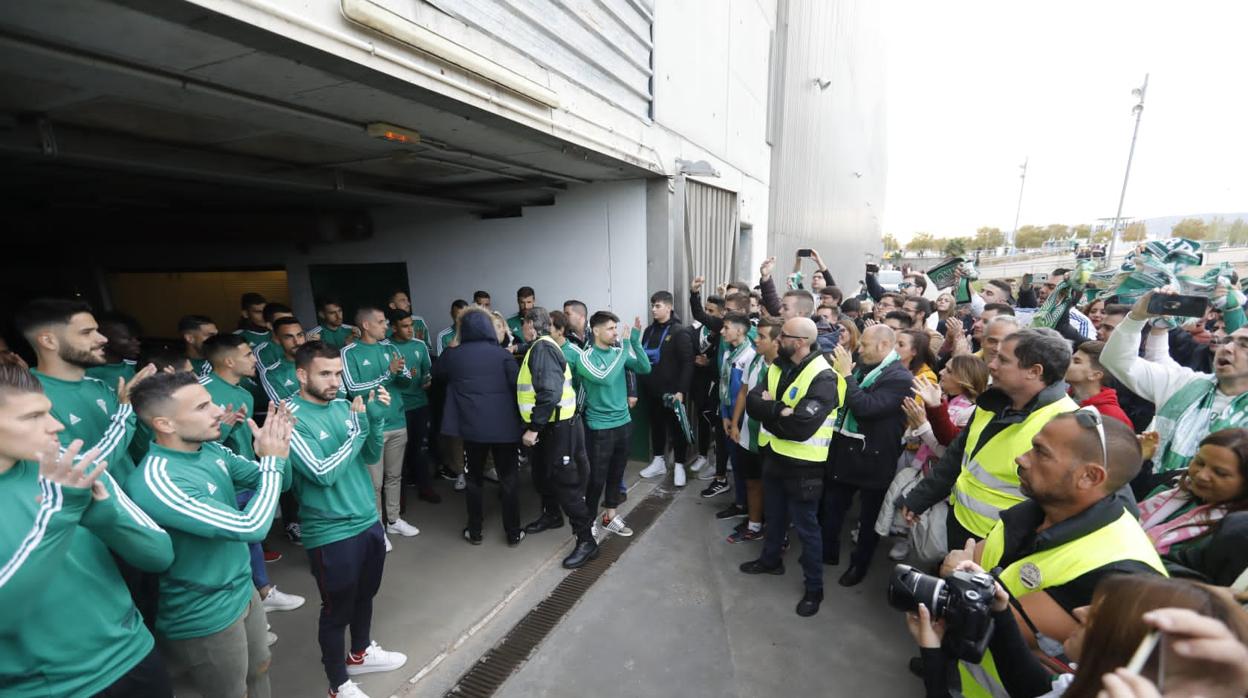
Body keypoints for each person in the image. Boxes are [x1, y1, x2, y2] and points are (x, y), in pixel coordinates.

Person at [948, 409, 1168, 697]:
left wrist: (955, 574)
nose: (1022, 458)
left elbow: (981, 622)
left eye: (1040, 452)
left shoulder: (1116, 570)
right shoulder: (1043, 505)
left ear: (1089, 477)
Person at [0, 364, 175, 698]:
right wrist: (59, 518)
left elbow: (159, 556)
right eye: (32, 417)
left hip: (134, 654)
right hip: (48, 688)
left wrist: (105, 517)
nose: (57, 425)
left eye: (49, 411)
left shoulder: (71, 465)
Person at [124, 372, 293, 698]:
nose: (218, 410)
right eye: (202, 406)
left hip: (242, 589)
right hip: (205, 612)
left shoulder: (212, 451)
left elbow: (277, 484)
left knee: (259, 669)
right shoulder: (159, 480)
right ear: (166, 424)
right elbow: (251, 527)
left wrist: (282, 445)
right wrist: (272, 462)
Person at [285, 341, 407, 698]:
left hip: (367, 520)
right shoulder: (288, 415)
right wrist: (357, 428)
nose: (335, 381)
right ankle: (338, 685)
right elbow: (321, 472)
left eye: (338, 372)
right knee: (336, 610)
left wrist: (374, 420)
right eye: (325, 373)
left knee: (365, 594)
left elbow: (368, 455)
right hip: (331, 531)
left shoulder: (343, 406)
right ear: (302, 374)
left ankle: (361, 652)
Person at [909, 573, 1248, 698]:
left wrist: (934, 658)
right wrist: (1000, 610)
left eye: (1098, 616)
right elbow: (1033, 688)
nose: (1079, 612)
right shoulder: (1078, 684)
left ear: (1124, 651)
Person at [902, 328, 1078, 548]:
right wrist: (921, 497)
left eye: (1003, 360)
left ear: (1034, 371)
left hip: (1001, 547)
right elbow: (957, 456)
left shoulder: (1069, 424)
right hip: (959, 526)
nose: (991, 365)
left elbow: (1063, 506)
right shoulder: (993, 402)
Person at [739, 317, 842, 617]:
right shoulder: (778, 366)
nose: (777, 338)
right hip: (773, 456)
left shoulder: (824, 377)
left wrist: (773, 410)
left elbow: (800, 428)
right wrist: (779, 410)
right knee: (775, 516)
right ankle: (770, 561)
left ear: (799, 342)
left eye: (783, 335)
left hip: (803, 466)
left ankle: (814, 589)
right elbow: (753, 403)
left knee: (807, 528)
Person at [200, 332, 305, 614]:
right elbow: (195, 446)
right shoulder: (201, 392)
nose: (254, 359)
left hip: (247, 474)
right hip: (221, 484)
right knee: (233, 546)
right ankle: (246, 603)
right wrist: (223, 426)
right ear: (229, 360)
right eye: (248, 354)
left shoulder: (245, 391)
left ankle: (262, 592)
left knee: (252, 540)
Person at [1102, 289, 1248, 489]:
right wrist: (1137, 316)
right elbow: (1116, 360)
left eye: (1244, 345)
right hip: (1153, 500)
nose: (1228, 348)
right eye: (1228, 341)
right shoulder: (1185, 383)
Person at [17, 298, 156, 482]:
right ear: (49, 341)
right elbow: (78, 472)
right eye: (86, 332)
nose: (102, 339)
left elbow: (139, 450)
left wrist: (145, 406)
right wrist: (125, 412)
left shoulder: (99, 386)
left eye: (96, 330)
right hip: (95, 508)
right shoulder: (29, 399)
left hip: (129, 502)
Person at [825, 325, 912, 586]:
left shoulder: (899, 377)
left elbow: (865, 407)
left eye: (864, 345)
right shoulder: (866, 367)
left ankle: (859, 565)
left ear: (884, 346)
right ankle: (827, 553)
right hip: (845, 452)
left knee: (868, 519)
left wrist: (847, 374)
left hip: (874, 459)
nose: (859, 349)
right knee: (832, 507)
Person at [433, 308, 525, 545]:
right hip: (505, 429)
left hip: (472, 431)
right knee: (509, 479)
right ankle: (513, 532)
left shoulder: (454, 355)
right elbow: (517, 387)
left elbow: (437, 373)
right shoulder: (502, 355)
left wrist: (453, 343)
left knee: (474, 481)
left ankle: (474, 531)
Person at [516, 307, 597, 567]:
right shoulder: (540, 346)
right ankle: (552, 515)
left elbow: (549, 393)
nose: (521, 329)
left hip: (557, 429)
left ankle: (587, 541)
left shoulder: (542, 348)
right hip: (549, 428)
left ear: (530, 324)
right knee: (542, 475)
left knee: (566, 484)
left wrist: (534, 429)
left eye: (523, 324)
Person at [565, 310, 651, 536]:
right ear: (596, 330)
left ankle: (610, 516)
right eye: (611, 328)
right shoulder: (586, 357)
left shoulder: (617, 352)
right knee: (595, 479)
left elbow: (644, 368)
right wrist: (623, 349)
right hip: (599, 427)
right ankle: (588, 521)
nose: (615, 332)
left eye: (616, 328)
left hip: (624, 423)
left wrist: (634, 342)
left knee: (616, 473)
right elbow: (606, 378)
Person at [341, 306, 418, 546]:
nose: (387, 325)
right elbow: (353, 389)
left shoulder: (390, 348)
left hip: (397, 420)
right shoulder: (349, 352)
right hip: (372, 425)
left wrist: (404, 373)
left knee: (395, 476)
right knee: (374, 483)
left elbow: (405, 383)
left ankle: (393, 521)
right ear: (366, 325)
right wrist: (388, 374)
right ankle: (377, 530)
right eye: (381, 321)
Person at [1141, 428, 1248, 586]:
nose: (1201, 475)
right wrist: (1141, 463)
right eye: (1199, 462)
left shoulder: (1235, 534)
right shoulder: (1173, 489)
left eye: (1220, 473)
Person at [724, 318, 782, 541]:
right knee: (752, 482)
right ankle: (754, 525)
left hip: (773, 439)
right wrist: (736, 422)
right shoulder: (755, 360)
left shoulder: (787, 368)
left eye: (761, 337)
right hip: (749, 435)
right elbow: (742, 393)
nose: (755, 340)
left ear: (777, 342)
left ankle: (777, 532)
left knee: (774, 489)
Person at [637, 291, 695, 485]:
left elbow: (688, 363)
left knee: (677, 429)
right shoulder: (648, 331)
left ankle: (679, 465)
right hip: (651, 390)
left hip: (672, 392)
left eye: (658, 306)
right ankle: (658, 461)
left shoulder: (680, 332)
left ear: (669, 307)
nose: (653, 309)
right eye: (652, 306)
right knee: (656, 426)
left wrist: (681, 390)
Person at [384, 310, 440, 505]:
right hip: (397, 408)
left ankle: (425, 487)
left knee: (421, 449)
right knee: (399, 452)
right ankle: (397, 499)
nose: (410, 329)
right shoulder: (386, 347)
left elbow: (427, 372)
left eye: (411, 325)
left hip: (420, 404)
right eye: (405, 326)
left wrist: (427, 380)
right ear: (394, 327)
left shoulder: (419, 345)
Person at [704, 312, 756, 499]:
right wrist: (725, 416)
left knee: (741, 464)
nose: (722, 331)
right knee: (734, 460)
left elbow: (743, 392)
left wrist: (735, 421)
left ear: (740, 330)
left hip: (741, 419)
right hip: (728, 416)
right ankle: (739, 501)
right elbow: (724, 388)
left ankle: (743, 504)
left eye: (726, 328)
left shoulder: (750, 355)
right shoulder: (728, 351)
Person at [1065, 340, 1132, 428]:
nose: (1067, 363)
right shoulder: (1063, 400)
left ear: (1095, 375)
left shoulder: (1112, 417)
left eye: (1076, 362)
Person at [256, 316, 308, 405]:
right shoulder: (270, 373)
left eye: (300, 335)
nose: (297, 342)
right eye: (289, 337)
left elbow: (339, 394)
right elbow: (282, 406)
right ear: (277, 339)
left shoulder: (320, 362)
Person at [85, 312, 142, 386]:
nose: (137, 343)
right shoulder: (90, 374)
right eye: (128, 338)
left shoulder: (136, 367)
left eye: (135, 337)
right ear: (104, 339)